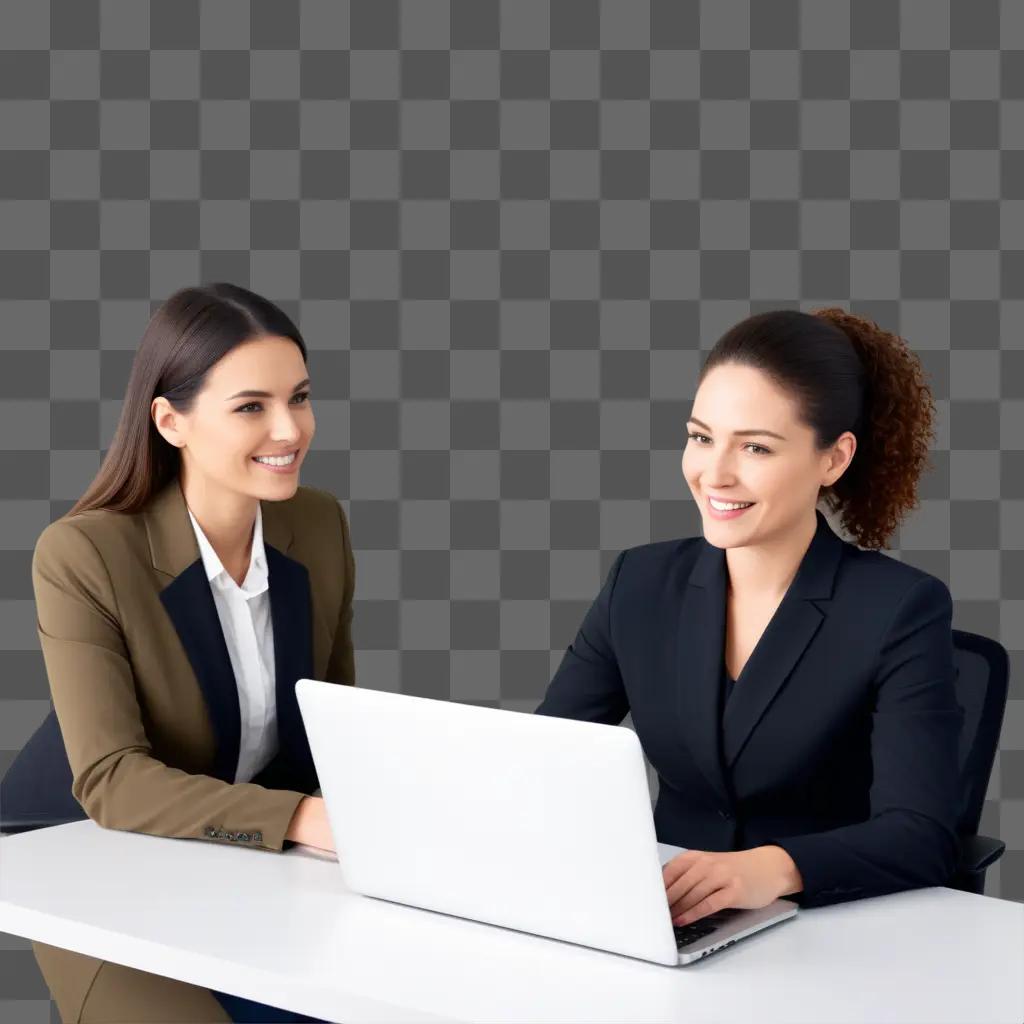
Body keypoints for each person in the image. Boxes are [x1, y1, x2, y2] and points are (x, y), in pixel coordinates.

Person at [536, 307, 965, 929]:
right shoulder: (641, 582)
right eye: (702, 437)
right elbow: (550, 755)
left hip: (827, 929)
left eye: (756, 447)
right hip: (662, 917)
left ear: (833, 460)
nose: (715, 473)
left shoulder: (899, 609)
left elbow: (923, 834)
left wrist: (772, 867)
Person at [29, 283, 347, 1023]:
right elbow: (111, 780)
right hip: (86, 857)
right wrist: (302, 819)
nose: (289, 428)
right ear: (170, 421)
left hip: (246, 855)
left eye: (298, 398)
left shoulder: (319, 525)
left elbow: (333, 721)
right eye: (251, 407)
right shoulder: (83, 554)